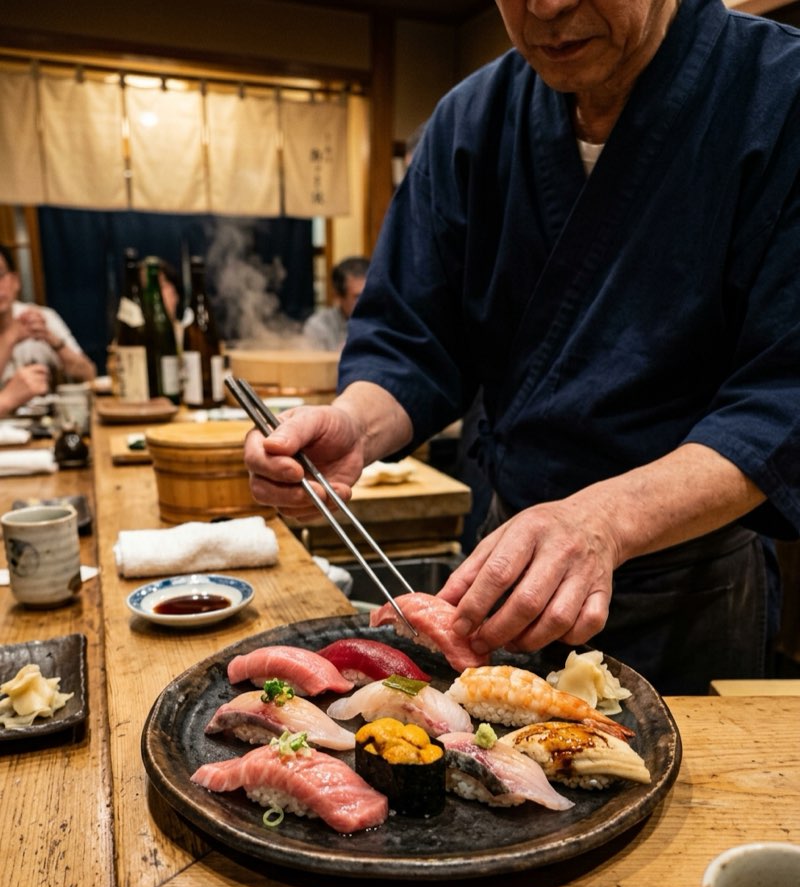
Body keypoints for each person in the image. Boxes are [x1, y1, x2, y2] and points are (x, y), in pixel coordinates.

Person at [244, 0, 800, 696]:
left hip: (688, 585)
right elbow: (410, 341)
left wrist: (605, 519)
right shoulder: (468, 121)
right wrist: (354, 423)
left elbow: (784, 394)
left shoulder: (780, 95)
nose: (546, 6)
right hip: (504, 571)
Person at [0, 242, 96, 416]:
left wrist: (54, 342)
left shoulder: (40, 317)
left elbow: (89, 374)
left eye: (0, 275)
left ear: (15, 281)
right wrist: (10, 338)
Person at [303, 256, 370, 351]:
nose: (367, 302)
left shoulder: (387, 322)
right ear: (338, 296)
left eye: (371, 295)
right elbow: (317, 363)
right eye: (358, 297)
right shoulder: (320, 325)